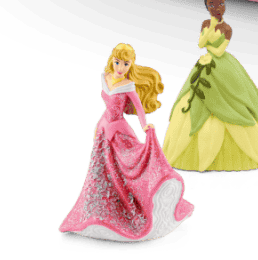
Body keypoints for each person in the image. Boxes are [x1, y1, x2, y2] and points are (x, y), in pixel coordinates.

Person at [58, 43, 195, 241]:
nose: (120, 67)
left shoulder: (128, 85)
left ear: (131, 65)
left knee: (126, 164)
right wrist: (99, 126)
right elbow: (107, 106)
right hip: (104, 128)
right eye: (117, 62)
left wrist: (145, 125)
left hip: (118, 131)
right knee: (100, 170)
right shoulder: (105, 77)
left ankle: (136, 199)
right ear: (111, 61)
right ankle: (101, 205)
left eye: (125, 64)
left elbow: (138, 108)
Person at [162, 0, 258, 171]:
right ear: (207, 6)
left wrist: (210, 46)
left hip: (221, 65)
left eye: (221, 4)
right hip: (205, 63)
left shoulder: (226, 28)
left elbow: (219, 49)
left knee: (237, 99)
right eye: (212, 4)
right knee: (191, 99)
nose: (218, 8)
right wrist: (208, 31)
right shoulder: (206, 25)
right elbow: (200, 44)